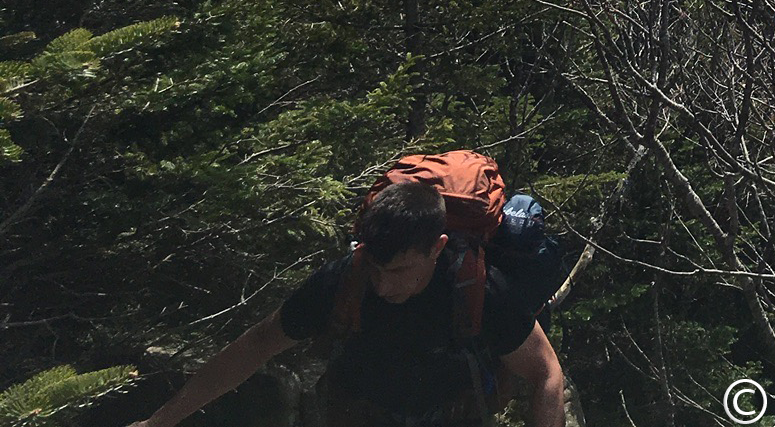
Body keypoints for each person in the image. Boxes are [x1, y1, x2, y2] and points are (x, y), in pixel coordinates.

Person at [134, 181, 565, 427]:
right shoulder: (345, 279)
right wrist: (161, 421)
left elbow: (546, 373)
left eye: (399, 270)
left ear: (437, 248)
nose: (382, 285)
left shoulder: (477, 288)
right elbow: (257, 344)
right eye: (376, 268)